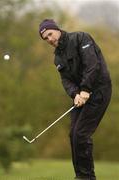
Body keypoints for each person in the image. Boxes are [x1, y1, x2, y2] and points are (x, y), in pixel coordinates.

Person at [39, 19, 112, 180]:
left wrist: (85, 89)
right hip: (80, 96)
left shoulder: (81, 38)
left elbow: (92, 64)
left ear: (56, 29)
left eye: (50, 34)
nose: (49, 39)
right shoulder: (57, 58)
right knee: (73, 135)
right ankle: (80, 176)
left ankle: (86, 177)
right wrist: (75, 94)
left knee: (81, 134)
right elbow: (66, 81)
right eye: (45, 39)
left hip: (99, 90)